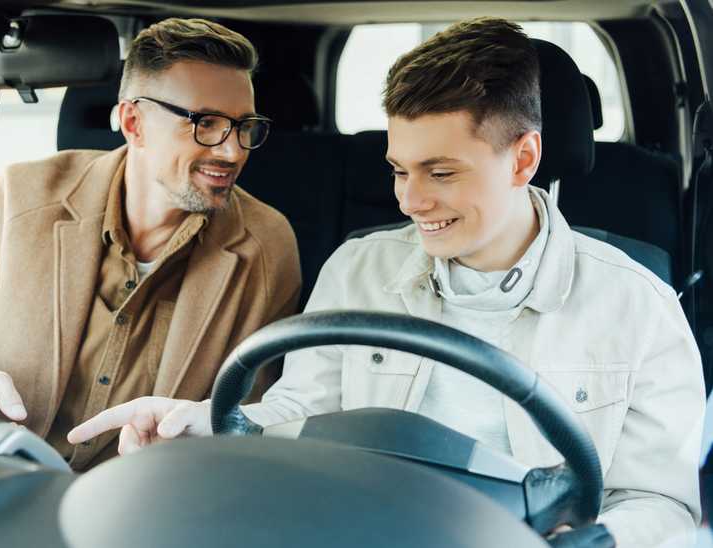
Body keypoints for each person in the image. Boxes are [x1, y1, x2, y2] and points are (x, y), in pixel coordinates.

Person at [67, 18, 705, 547]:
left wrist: (588, 542)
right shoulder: (359, 269)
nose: (410, 201)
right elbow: (304, 413)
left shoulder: (637, 305)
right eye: (399, 170)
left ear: (524, 158)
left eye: (440, 172)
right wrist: (202, 421)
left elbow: (661, 502)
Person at [0, 18, 301, 471]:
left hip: (152, 497)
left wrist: (192, 449)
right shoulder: (22, 196)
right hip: (3, 474)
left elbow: (250, 418)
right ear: (134, 123)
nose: (233, 151)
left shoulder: (267, 247)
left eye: (243, 126)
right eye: (206, 124)